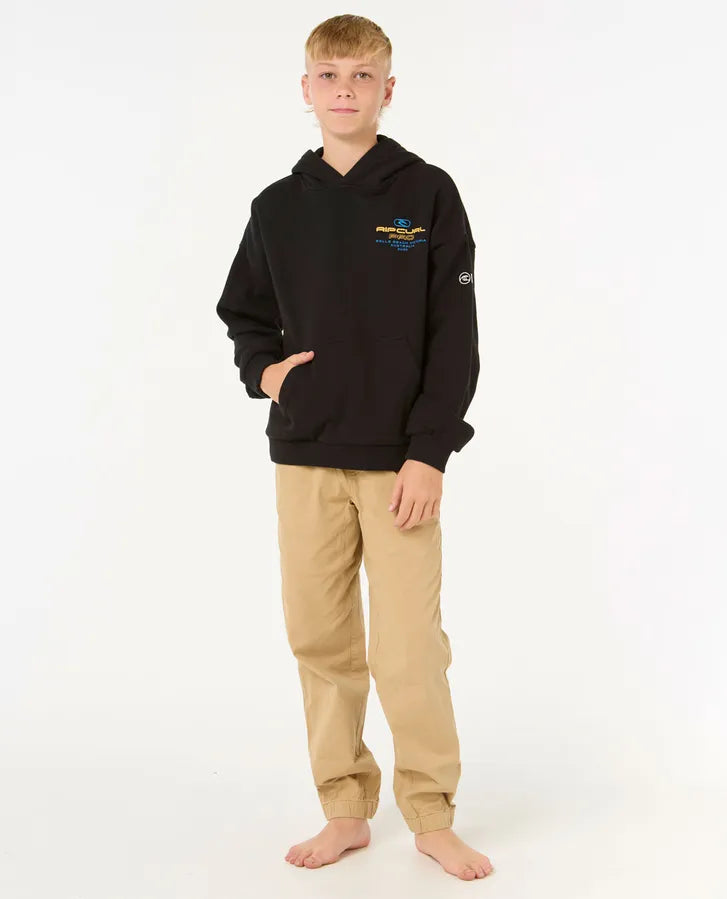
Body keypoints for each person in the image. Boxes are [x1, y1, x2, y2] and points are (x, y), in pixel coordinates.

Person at [215, 14, 493, 881]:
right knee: (320, 638)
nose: (345, 90)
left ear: (387, 89)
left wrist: (430, 451)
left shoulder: (427, 194)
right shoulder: (276, 205)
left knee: (408, 648)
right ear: (305, 90)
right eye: (329, 76)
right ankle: (344, 806)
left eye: (361, 76)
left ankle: (431, 814)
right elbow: (243, 312)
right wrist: (265, 373)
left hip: (399, 461)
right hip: (303, 455)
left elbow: (454, 334)